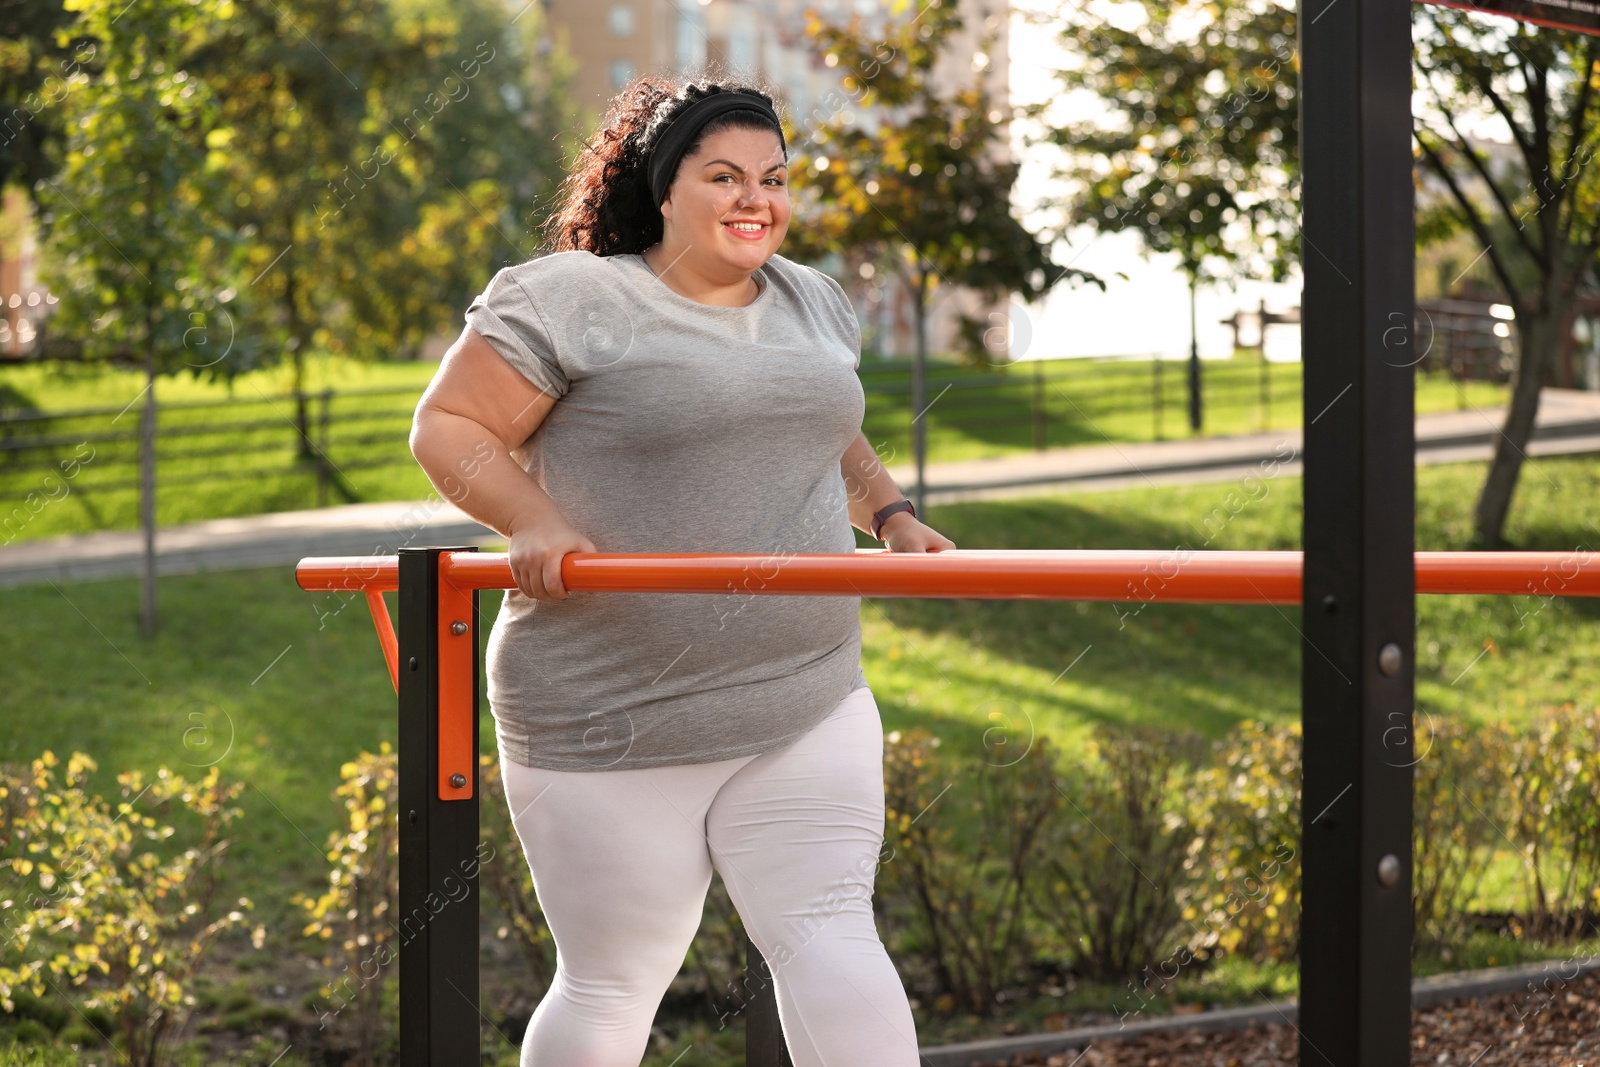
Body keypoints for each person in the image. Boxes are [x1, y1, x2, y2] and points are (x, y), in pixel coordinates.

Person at [409, 72, 957, 1067]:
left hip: (806, 691)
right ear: (664, 190)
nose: (756, 199)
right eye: (723, 176)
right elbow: (449, 426)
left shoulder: (813, 300)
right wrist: (530, 518)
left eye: (774, 177)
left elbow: (830, 430)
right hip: (611, 704)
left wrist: (890, 511)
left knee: (831, 934)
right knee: (617, 979)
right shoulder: (574, 296)